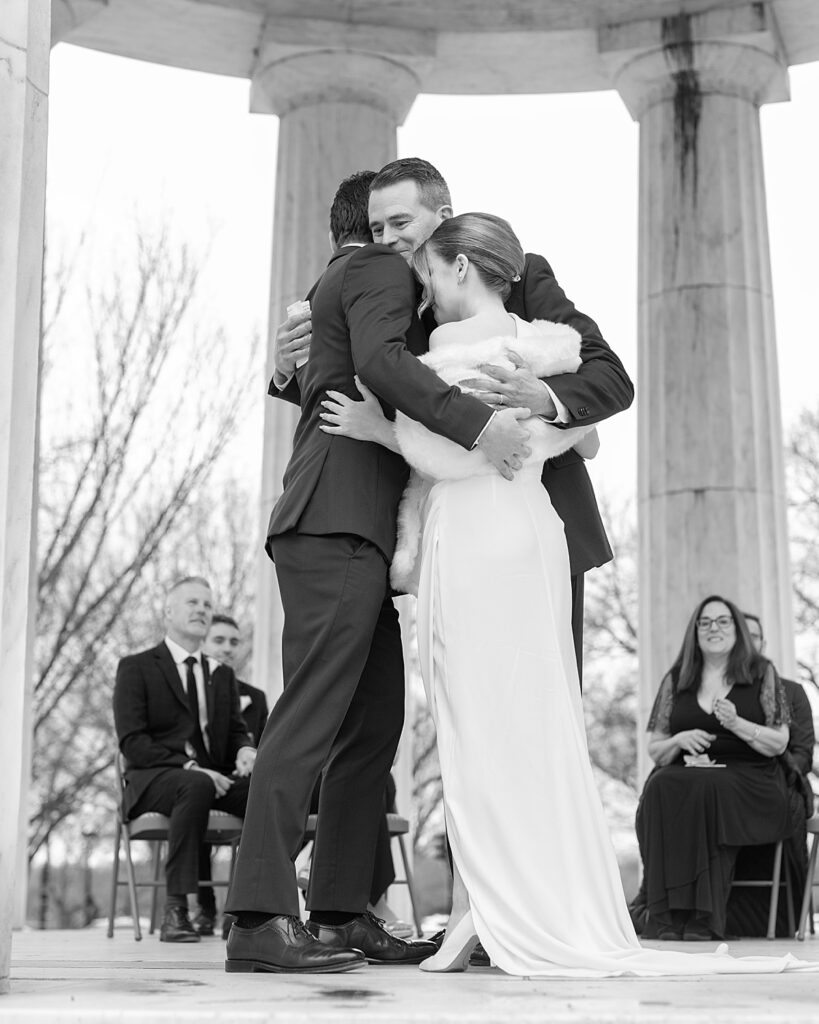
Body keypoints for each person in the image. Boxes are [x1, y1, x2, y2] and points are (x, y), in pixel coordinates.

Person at [324, 213, 814, 977]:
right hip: (530, 531)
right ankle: (503, 905)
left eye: (426, 266)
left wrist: (378, 428)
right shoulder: (542, 344)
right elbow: (573, 438)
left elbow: (441, 450)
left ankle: (496, 909)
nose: (416, 279)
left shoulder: (446, 349)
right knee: (533, 716)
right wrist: (544, 410)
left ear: (459, 269)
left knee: (475, 721)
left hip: (477, 538)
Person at [224, 172, 530, 975]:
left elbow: (335, 372)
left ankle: (339, 913)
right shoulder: (374, 271)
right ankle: (257, 915)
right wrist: (476, 425)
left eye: (410, 225)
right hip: (332, 522)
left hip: (358, 532)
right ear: (370, 226)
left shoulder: (356, 282)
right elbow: (378, 362)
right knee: (312, 716)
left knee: (372, 726)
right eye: (388, 223)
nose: (403, 241)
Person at [274, 157, 634, 683]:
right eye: (377, 229)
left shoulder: (520, 273)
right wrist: (287, 369)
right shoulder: (383, 295)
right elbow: (351, 383)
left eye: (401, 223)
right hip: (447, 529)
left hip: (536, 513)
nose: (388, 239)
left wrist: (543, 397)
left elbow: (611, 379)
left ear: (443, 216)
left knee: (550, 690)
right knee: (465, 691)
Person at [636, 596, 793, 942]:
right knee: (661, 785)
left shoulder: (761, 672)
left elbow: (779, 742)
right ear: (695, 631)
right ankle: (665, 916)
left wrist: (737, 724)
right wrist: (679, 739)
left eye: (723, 621)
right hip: (690, 773)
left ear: (737, 629)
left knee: (707, 789)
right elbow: (655, 748)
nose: (713, 629)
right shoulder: (678, 678)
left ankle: (703, 918)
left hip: (752, 777)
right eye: (705, 622)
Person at [113, 577, 255, 943]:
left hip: (213, 779)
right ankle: (176, 909)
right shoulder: (136, 667)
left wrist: (245, 751)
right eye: (192, 602)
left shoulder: (222, 675)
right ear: (168, 611)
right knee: (194, 783)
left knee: (271, 786)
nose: (201, 610)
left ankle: (246, 909)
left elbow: (236, 731)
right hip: (154, 779)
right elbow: (133, 743)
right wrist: (191, 767)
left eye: (207, 605)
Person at [724, 612, 815, 936]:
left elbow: (803, 755)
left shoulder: (792, 692)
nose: (749, 643)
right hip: (725, 788)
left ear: (763, 643)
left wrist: (763, 747)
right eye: (742, 636)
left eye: (754, 636)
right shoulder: (713, 692)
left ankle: (782, 917)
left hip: (776, 784)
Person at [205, 614, 268, 746]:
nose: (228, 649)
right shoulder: (185, 688)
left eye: (234, 643)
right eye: (218, 640)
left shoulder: (257, 698)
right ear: (201, 643)